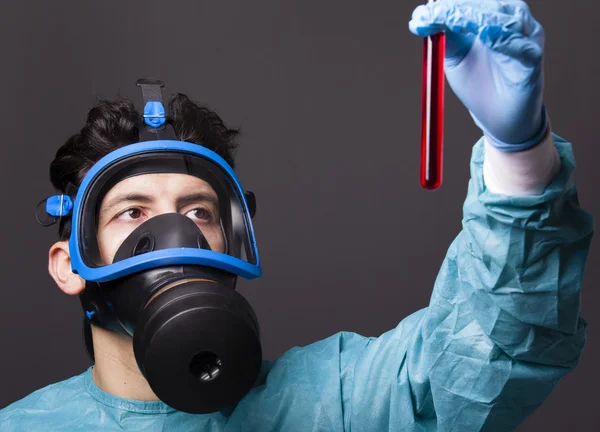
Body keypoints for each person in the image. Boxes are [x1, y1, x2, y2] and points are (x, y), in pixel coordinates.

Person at [0, 1, 594, 431]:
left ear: (233, 238)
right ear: (69, 264)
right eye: (133, 212)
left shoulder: (333, 404)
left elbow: (492, 352)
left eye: (199, 211)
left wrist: (518, 155)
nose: (174, 238)